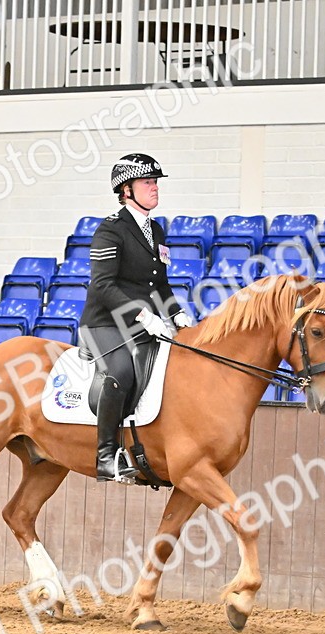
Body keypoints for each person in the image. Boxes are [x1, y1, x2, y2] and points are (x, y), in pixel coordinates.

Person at [78, 153, 194, 482]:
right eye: (148, 182)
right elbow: (102, 285)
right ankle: (106, 456)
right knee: (121, 372)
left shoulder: (155, 230)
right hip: (104, 322)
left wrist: (178, 315)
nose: (155, 188)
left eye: (156, 182)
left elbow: (160, 285)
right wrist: (144, 315)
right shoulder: (110, 230)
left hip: (144, 322)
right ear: (126, 190)